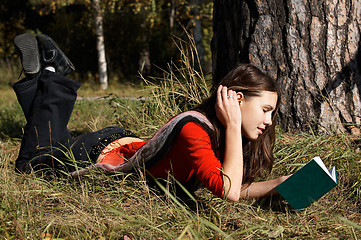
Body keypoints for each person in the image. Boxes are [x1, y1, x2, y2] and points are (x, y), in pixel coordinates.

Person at [13, 33, 288, 202]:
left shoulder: (220, 134)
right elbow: (228, 192)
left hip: (120, 143)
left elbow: (232, 183)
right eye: (265, 110)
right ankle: (49, 75)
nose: (269, 121)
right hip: (98, 152)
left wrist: (277, 185)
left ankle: (44, 76)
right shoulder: (194, 129)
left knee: (50, 140)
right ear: (237, 100)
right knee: (32, 162)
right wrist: (232, 124)